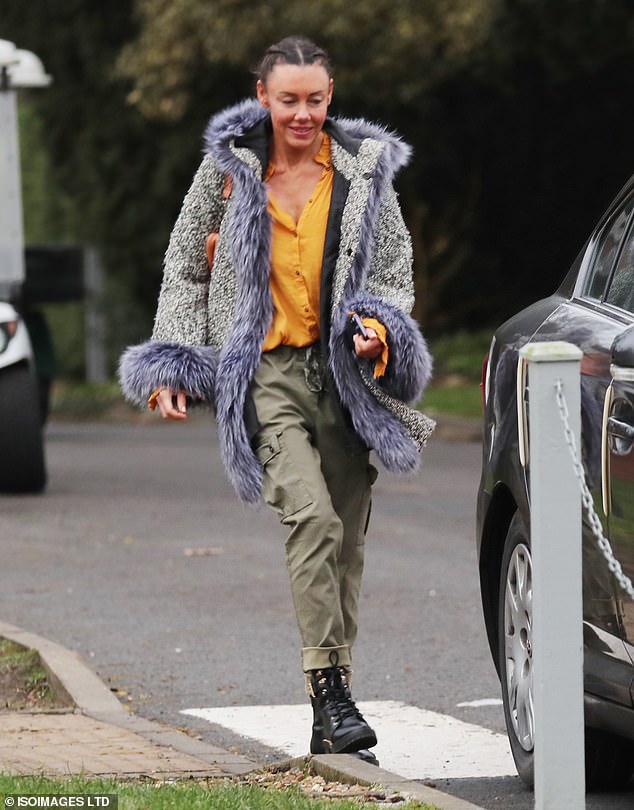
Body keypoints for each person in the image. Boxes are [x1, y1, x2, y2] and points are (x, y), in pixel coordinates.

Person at [119, 36, 433, 762]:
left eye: (315, 100)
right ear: (261, 95)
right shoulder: (227, 170)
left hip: (344, 378)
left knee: (347, 546)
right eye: (288, 100)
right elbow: (184, 270)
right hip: (266, 375)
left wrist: (378, 331)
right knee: (313, 521)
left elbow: (391, 269)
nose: (302, 114)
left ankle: (334, 716)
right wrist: (172, 362)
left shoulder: (361, 171)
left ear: (331, 95)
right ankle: (331, 691)